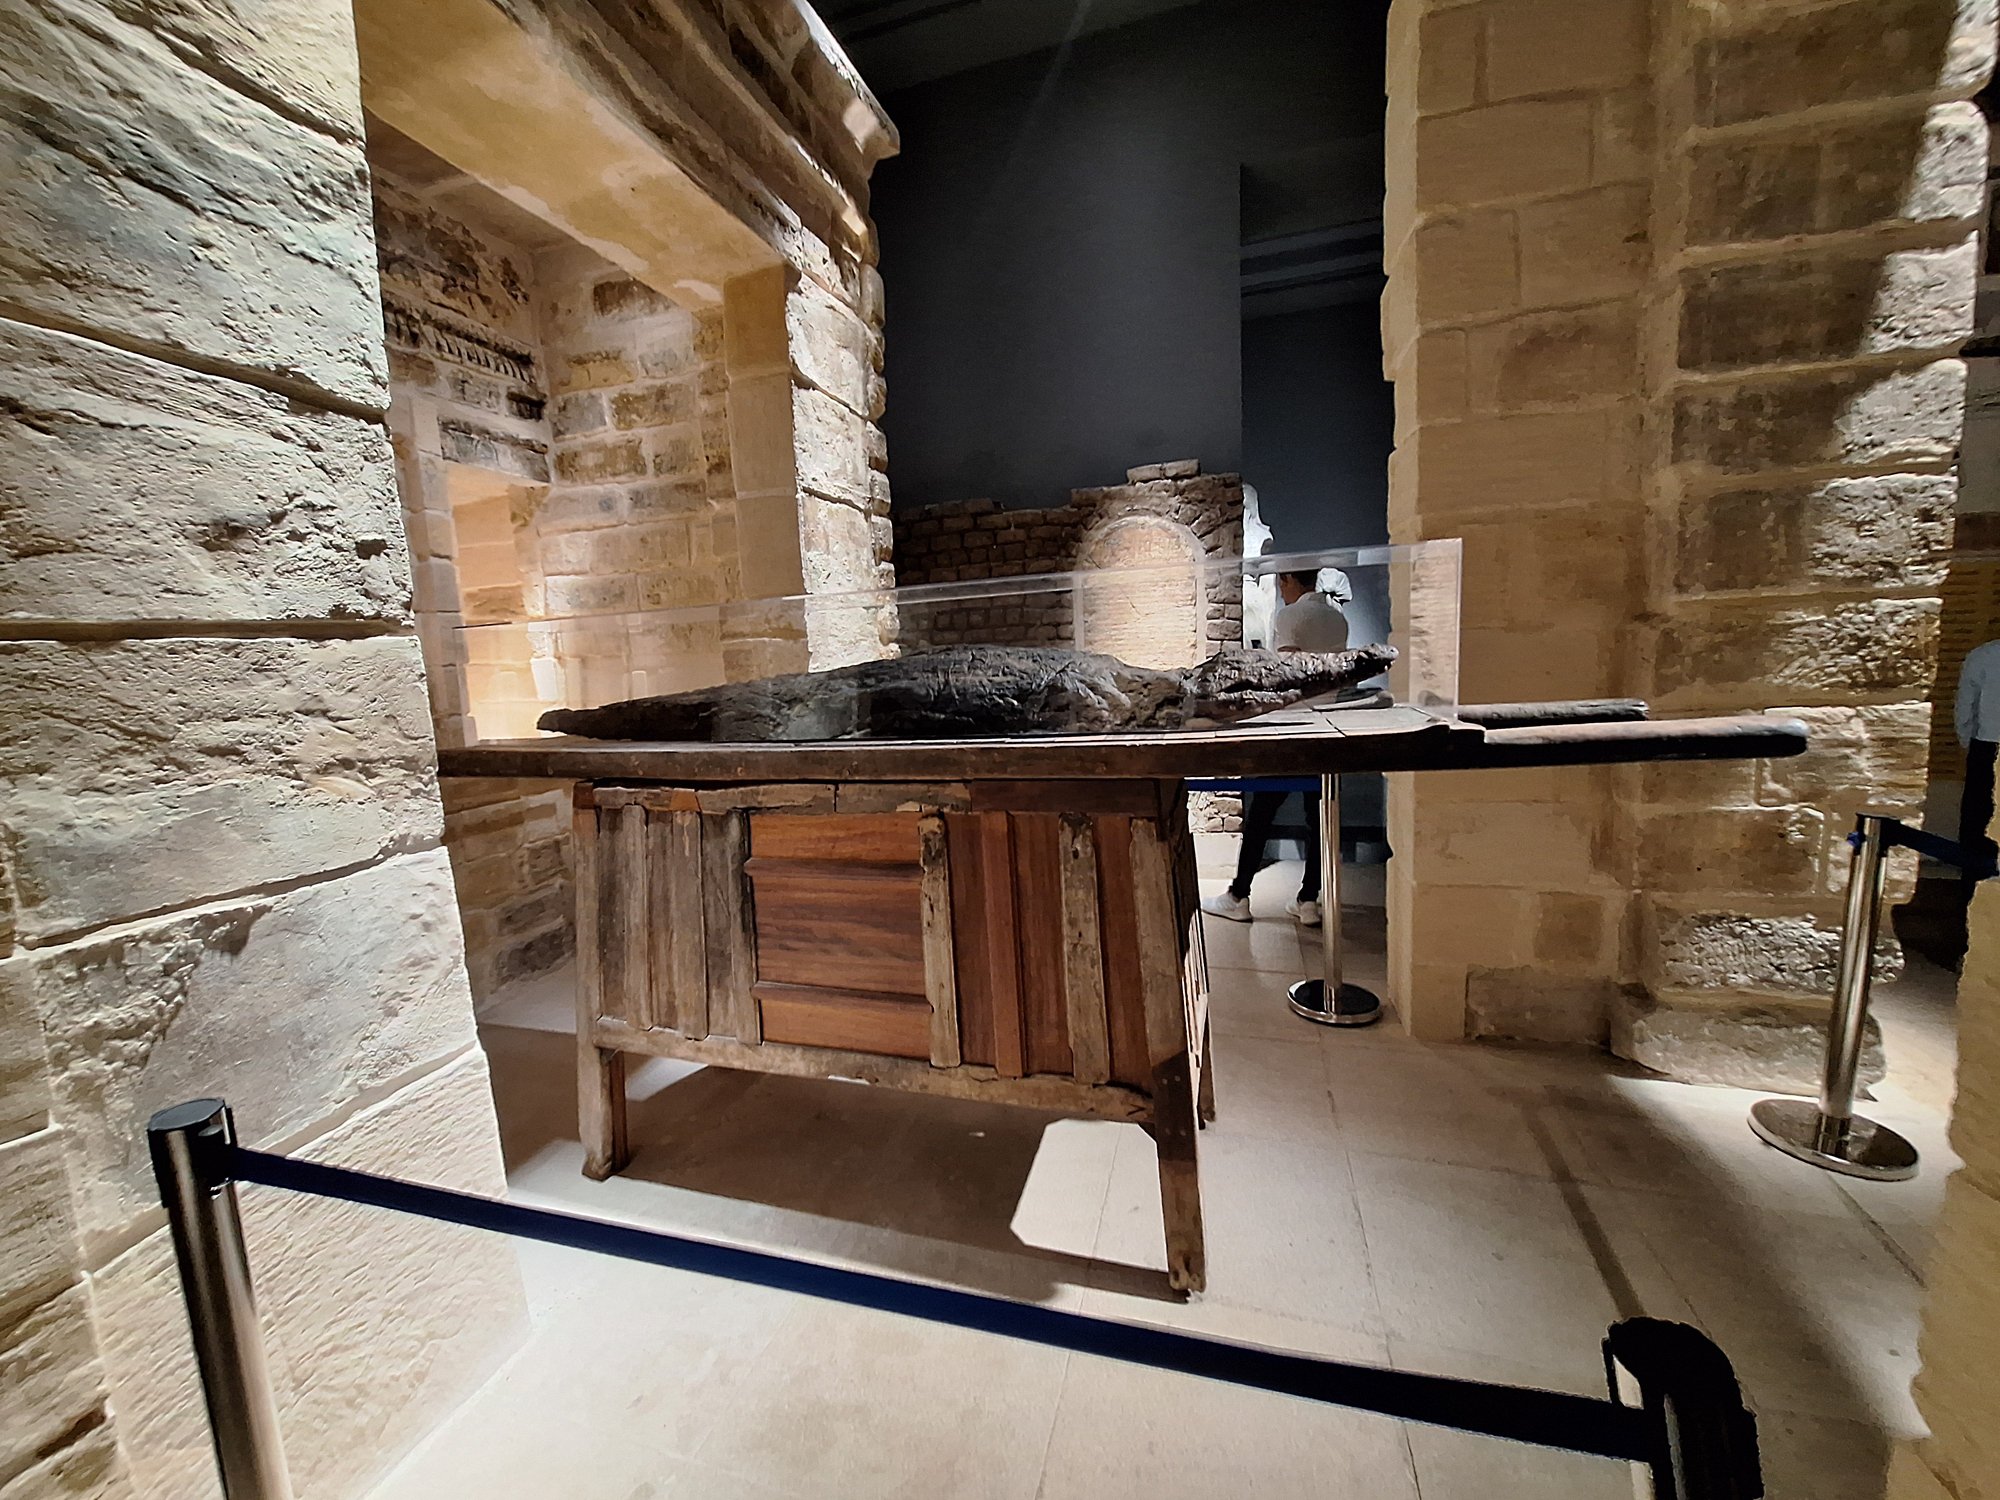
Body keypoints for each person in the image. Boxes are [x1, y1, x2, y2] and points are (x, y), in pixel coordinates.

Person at [1201, 568, 1351, 928]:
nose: (1281, 590)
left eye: (1281, 582)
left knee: (1262, 814)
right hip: (1325, 729)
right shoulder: (1337, 619)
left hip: (1293, 726)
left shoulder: (1290, 616)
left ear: (1289, 580)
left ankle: (1238, 895)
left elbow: (1287, 674)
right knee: (1318, 817)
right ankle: (1308, 899)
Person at [1957, 638, 2000, 889]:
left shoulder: (1982, 655)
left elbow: (1966, 706)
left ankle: (1970, 888)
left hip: (1986, 745)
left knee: (1978, 818)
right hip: (1985, 743)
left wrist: (1968, 742)